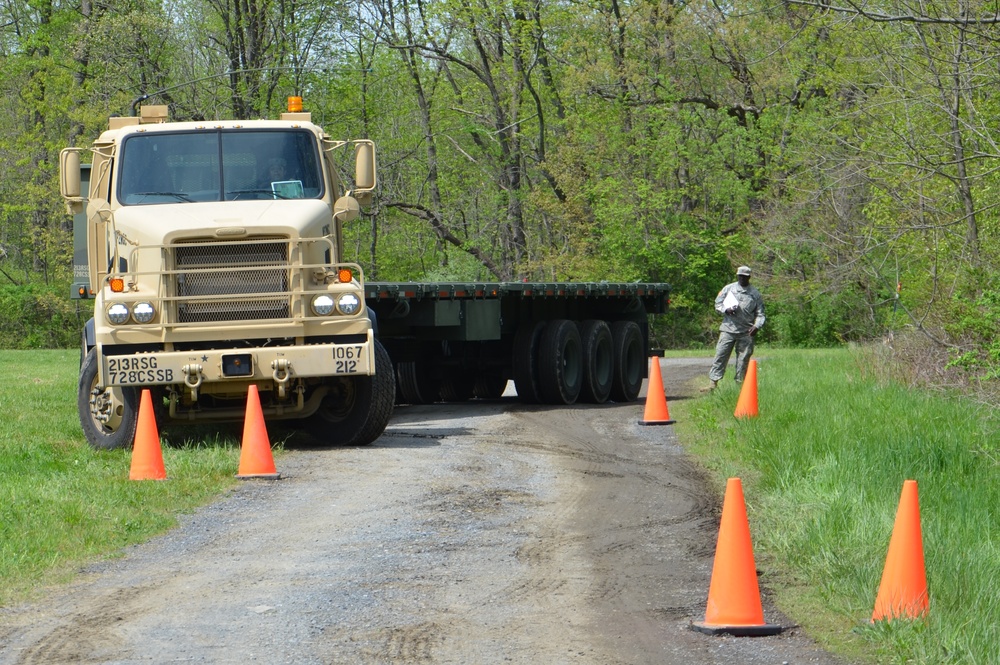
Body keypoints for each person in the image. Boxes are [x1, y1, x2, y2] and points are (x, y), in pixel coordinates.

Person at [709, 265, 765, 389]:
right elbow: (717, 304)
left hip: (746, 332)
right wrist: (725, 309)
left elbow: (761, 314)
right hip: (728, 329)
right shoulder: (728, 289)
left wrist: (757, 326)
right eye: (740, 276)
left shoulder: (754, 294)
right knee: (720, 355)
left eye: (745, 277)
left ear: (749, 277)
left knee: (743, 360)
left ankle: (740, 386)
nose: (742, 279)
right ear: (737, 276)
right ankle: (713, 383)